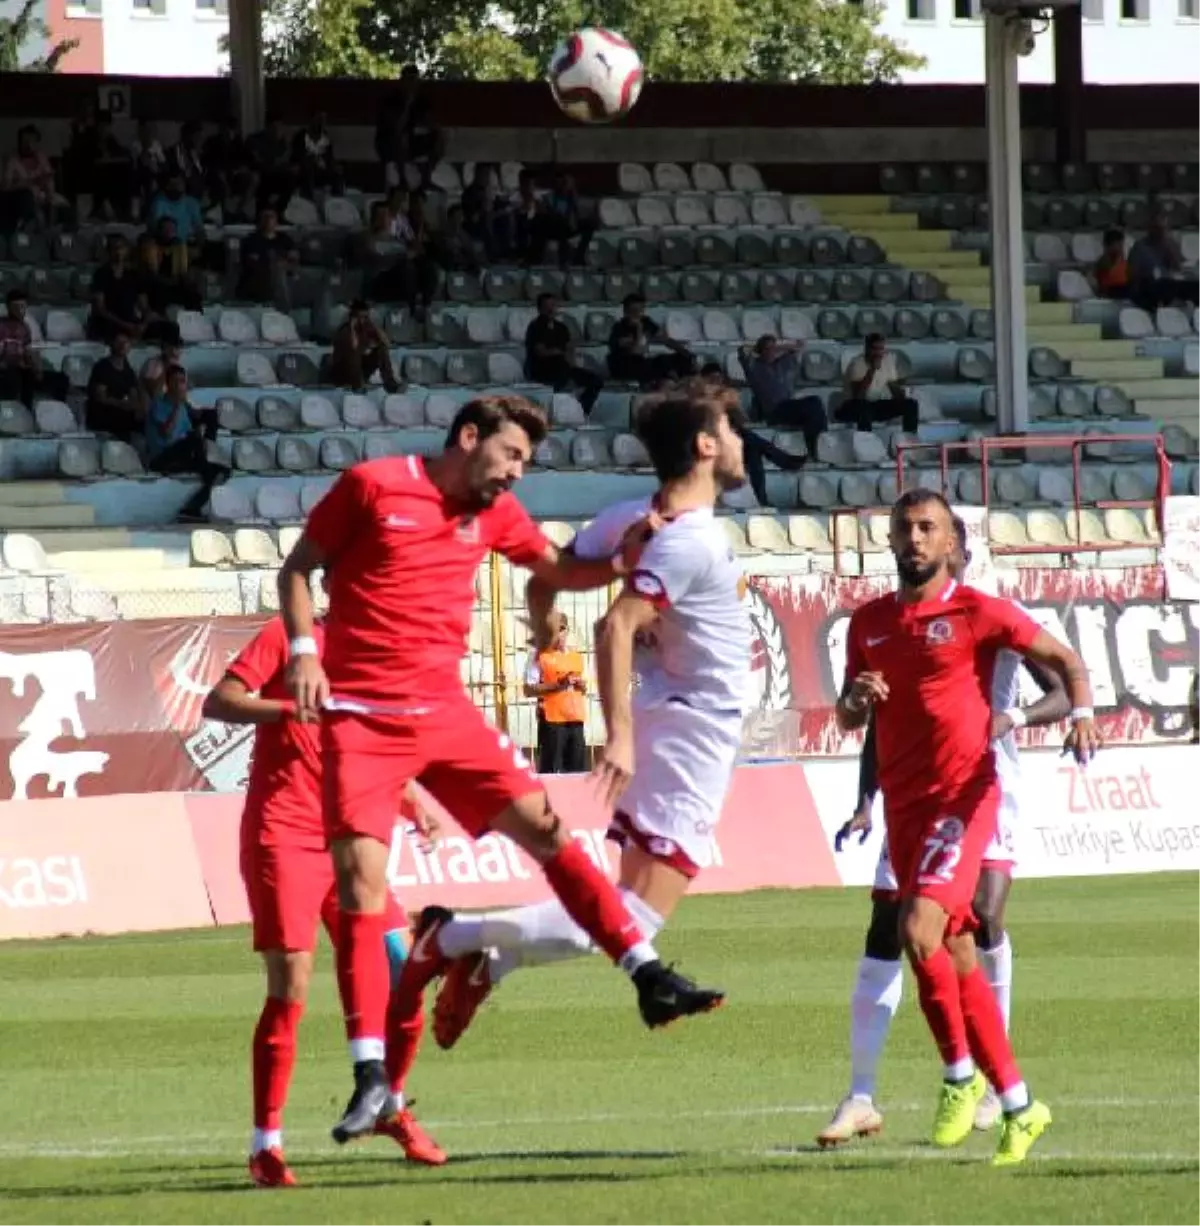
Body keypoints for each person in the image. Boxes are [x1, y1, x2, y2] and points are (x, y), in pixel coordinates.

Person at [277, 394, 724, 1143]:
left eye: (526, 462)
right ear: (469, 436)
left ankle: (648, 976)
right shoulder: (373, 485)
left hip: (447, 716)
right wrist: (303, 655)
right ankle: (370, 1075)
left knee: (551, 834)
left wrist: (622, 559)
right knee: (361, 885)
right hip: (360, 717)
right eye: (511, 455)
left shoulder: (497, 516)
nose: (517, 473)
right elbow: (299, 570)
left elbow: (558, 569)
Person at [428, 378, 750, 1050]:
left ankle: (489, 964)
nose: (742, 442)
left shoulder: (630, 516)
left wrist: (544, 623)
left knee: (622, 909)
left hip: (676, 720)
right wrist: (621, 739)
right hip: (688, 733)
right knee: (629, 920)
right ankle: (449, 934)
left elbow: (546, 576)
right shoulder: (691, 540)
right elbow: (616, 627)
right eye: (733, 429)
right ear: (704, 444)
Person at [834, 487, 1099, 1166]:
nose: (914, 538)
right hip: (906, 806)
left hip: (966, 797)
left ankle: (959, 1075)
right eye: (905, 528)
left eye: (928, 528)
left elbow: (1067, 661)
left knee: (922, 929)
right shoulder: (869, 623)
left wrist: (1082, 714)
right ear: (891, 539)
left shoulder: (979, 612)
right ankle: (1016, 1103)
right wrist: (856, 700)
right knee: (947, 949)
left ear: (952, 543)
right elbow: (848, 718)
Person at [202, 614, 446, 1188]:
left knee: (405, 970)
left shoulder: (377, 646)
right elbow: (221, 702)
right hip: (283, 837)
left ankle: (389, 1107)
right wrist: (293, 708)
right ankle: (266, 1146)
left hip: (350, 837)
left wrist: (414, 801)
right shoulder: (287, 637)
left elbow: (367, 743)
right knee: (290, 991)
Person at [144, 364, 230, 522]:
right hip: (161, 458)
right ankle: (206, 465)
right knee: (196, 446)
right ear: (168, 384)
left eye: (182, 381)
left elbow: (190, 432)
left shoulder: (184, 407)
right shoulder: (158, 404)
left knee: (222, 471)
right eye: (175, 381)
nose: (179, 385)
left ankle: (191, 509)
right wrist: (177, 405)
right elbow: (167, 432)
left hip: (181, 456)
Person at [737, 335, 827, 459]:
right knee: (813, 404)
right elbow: (742, 350)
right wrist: (764, 347)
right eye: (767, 349)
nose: (771, 352)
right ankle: (816, 449)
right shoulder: (754, 367)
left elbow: (800, 345)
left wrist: (778, 348)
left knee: (815, 409)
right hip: (774, 411)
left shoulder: (783, 363)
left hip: (788, 407)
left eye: (774, 349)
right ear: (760, 351)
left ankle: (818, 447)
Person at [524, 611, 588, 775]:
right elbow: (528, 689)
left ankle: (575, 801)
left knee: (577, 772)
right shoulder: (538, 656)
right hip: (552, 721)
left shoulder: (575, 657)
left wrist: (581, 686)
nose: (558, 634)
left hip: (575, 719)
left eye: (561, 629)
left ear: (567, 630)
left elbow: (582, 689)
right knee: (552, 772)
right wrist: (558, 685)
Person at [524, 293, 602, 414]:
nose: (551, 310)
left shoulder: (561, 328)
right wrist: (559, 352)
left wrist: (573, 368)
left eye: (553, 306)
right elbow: (541, 352)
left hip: (563, 368)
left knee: (595, 381)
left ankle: (583, 409)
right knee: (562, 379)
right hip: (542, 369)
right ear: (540, 309)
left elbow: (569, 350)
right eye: (547, 306)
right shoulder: (535, 327)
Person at [835, 334, 919, 435]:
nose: (878, 353)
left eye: (881, 349)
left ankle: (909, 437)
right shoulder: (857, 363)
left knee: (911, 404)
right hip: (851, 406)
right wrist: (872, 370)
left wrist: (900, 393)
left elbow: (894, 389)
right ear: (867, 349)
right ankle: (865, 441)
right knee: (864, 407)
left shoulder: (887, 361)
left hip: (876, 404)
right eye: (875, 349)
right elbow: (859, 396)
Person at [608, 294, 695, 387]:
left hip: (643, 361)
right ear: (626, 311)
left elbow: (665, 339)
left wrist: (685, 353)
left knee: (677, 359)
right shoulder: (619, 328)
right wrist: (639, 329)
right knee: (645, 364)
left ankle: (682, 382)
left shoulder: (646, 321)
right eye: (634, 310)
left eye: (641, 310)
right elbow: (636, 351)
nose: (638, 313)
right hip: (624, 365)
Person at [0, 288, 67, 407]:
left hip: (22, 370)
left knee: (61, 379)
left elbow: (28, 352)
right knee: (18, 378)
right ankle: (23, 412)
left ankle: (59, 413)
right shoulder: (2, 326)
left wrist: (37, 369)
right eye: (17, 307)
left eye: (23, 307)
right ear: (8, 307)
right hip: (6, 370)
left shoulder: (25, 328)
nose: (21, 311)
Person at [328, 299, 402, 394]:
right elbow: (353, 347)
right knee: (354, 354)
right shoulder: (345, 331)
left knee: (381, 349)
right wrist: (352, 328)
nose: (363, 320)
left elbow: (387, 343)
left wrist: (375, 327)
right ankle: (358, 386)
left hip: (360, 370)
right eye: (361, 317)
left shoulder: (367, 328)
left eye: (366, 317)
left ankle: (390, 384)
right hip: (343, 372)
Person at [85, 330, 143, 440]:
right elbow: (100, 397)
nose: (122, 345)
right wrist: (120, 403)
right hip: (103, 413)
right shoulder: (102, 367)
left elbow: (133, 394)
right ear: (111, 344)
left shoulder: (128, 370)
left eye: (125, 342)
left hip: (122, 412)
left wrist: (136, 406)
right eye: (118, 342)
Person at [1092, 228, 1130, 300]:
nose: (1121, 247)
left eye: (1121, 244)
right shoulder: (1103, 263)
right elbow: (1104, 287)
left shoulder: (1124, 262)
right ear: (1109, 245)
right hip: (1112, 295)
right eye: (1118, 244)